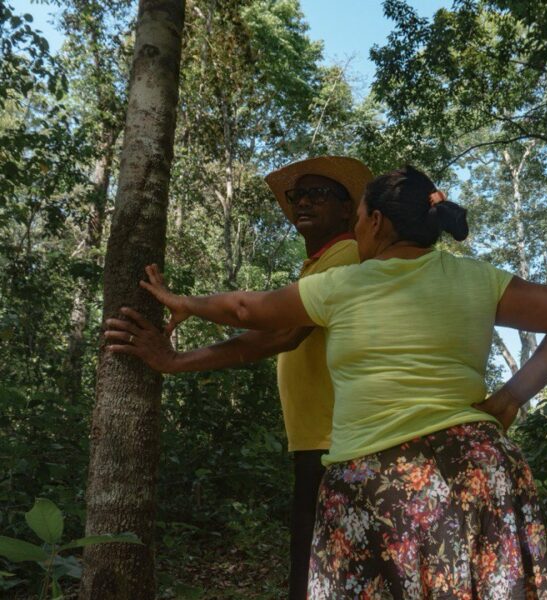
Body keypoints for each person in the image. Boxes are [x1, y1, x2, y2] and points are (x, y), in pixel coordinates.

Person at [121, 165, 547, 598]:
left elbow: (249, 309)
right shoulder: (479, 278)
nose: (354, 233)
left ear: (374, 222)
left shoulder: (345, 282)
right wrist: (513, 395)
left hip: (378, 477)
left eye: (357, 219)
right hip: (478, 468)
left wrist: (181, 301)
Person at [104, 156, 373, 599]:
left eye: (319, 194)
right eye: (298, 195)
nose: (303, 201)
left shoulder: (345, 257)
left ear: (348, 210)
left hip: (338, 443)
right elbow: (267, 336)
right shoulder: (321, 265)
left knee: (320, 581)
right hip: (323, 442)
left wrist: (176, 351)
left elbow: (278, 333)